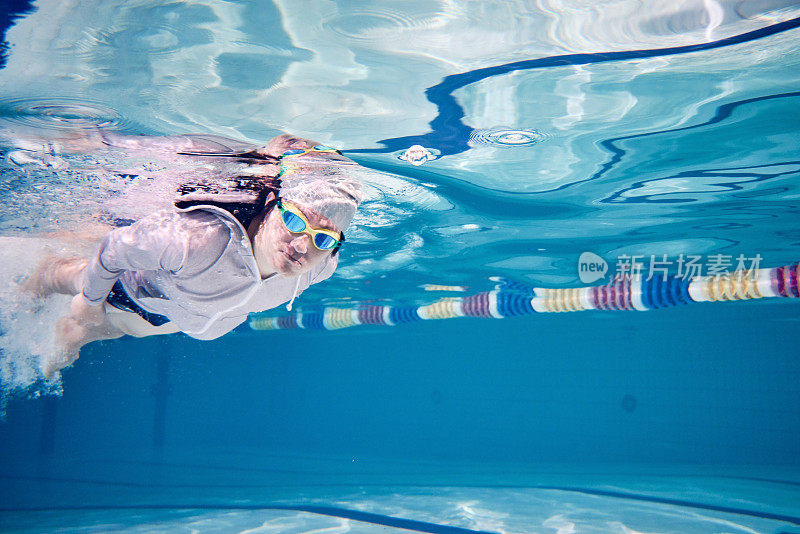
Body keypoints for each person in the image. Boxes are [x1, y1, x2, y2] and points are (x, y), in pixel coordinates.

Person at [24, 133, 362, 378]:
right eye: (294, 220)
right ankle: (29, 287)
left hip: (162, 321)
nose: (301, 247)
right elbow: (114, 249)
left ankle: (78, 331)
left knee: (87, 333)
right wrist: (88, 299)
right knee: (55, 279)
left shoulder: (319, 268)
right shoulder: (201, 239)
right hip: (121, 292)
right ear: (273, 205)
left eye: (323, 238)